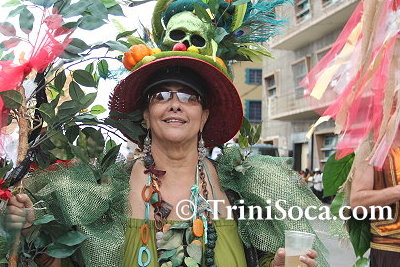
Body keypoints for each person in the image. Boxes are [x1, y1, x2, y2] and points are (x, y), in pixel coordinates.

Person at [4, 0, 326, 266]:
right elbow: (59, 260)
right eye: (161, 96)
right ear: (146, 114)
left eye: (188, 97)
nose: (175, 105)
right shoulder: (100, 191)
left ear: (204, 116)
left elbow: (264, 257)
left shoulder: (241, 188)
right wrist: (31, 228)